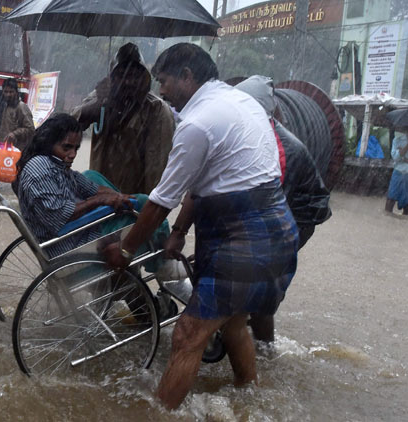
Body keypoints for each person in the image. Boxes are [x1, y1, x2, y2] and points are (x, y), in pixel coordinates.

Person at [102, 43, 298, 410]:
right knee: (234, 322)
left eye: (163, 81)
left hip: (244, 240)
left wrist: (126, 249)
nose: (160, 91)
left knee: (188, 335)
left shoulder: (197, 123)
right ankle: (248, 400)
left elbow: (162, 199)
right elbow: (209, 180)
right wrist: (178, 233)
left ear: (187, 77)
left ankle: (160, 414)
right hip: (277, 233)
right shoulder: (240, 103)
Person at [235, 75, 332, 342]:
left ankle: (265, 352)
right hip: (277, 210)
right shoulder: (248, 132)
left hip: (297, 218)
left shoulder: (282, 147)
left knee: (260, 289)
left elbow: (271, 207)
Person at [15, 113, 134, 258]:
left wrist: (117, 197)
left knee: (94, 176)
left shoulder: (58, 165)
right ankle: (165, 268)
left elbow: (91, 187)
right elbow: (60, 216)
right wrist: (100, 200)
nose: (73, 154)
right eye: (66, 148)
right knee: (140, 217)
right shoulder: (40, 167)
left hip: (76, 233)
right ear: (49, 143)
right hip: (68, 244)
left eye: (76, 149)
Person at [71, 42, 174, 194]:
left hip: (135, 200)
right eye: (121, 75)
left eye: (134, 75)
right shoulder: (100, 98)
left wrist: (147, 206)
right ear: (112, 78)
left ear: (144, 78)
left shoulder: (157, 110)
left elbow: (156, 169)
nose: (128, 82)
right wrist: (99, 104)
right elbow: (68, 126)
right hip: (99, 196)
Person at [0, 77, 35, 151]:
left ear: (16, 92)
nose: (8, 94)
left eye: (11, 92)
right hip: (5, 149)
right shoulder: (6, 106)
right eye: (6, 92)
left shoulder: (21, 106)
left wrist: (15, 134)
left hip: (16, 150)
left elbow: (30, 129)